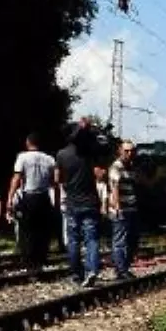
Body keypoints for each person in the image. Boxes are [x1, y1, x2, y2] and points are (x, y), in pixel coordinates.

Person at [55, 122, 103, 287]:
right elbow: (102, 145)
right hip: (90, 201)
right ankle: (92, 271)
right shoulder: (88, 152)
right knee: (92, 239)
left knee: (74, 239)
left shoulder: (61, 155)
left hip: (72, 203)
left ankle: (76, 274)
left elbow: (57, 179)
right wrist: (89, 129)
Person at [7, 135, 58, 272]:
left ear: (27, 143)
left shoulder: (22, 157)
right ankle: (41, 258)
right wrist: (56, 202)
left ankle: (28, 260)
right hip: (44, 197)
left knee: (26, 230)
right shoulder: (49, 159)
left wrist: (10, 198)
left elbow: (16, 178)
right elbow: (55, 182)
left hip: (29, 197)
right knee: (42, 230)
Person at [108, 139, 141, 280]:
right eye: (126, 150)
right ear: (120, 151)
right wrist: (117, 208)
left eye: (131, 151)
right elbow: (115, 187)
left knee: (132, 240)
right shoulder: (116, 167)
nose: (129, 153)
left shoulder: (131, 167)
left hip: (132, 209)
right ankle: (121, 270)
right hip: (121, 210)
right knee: (120, 240)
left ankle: (124, 267)